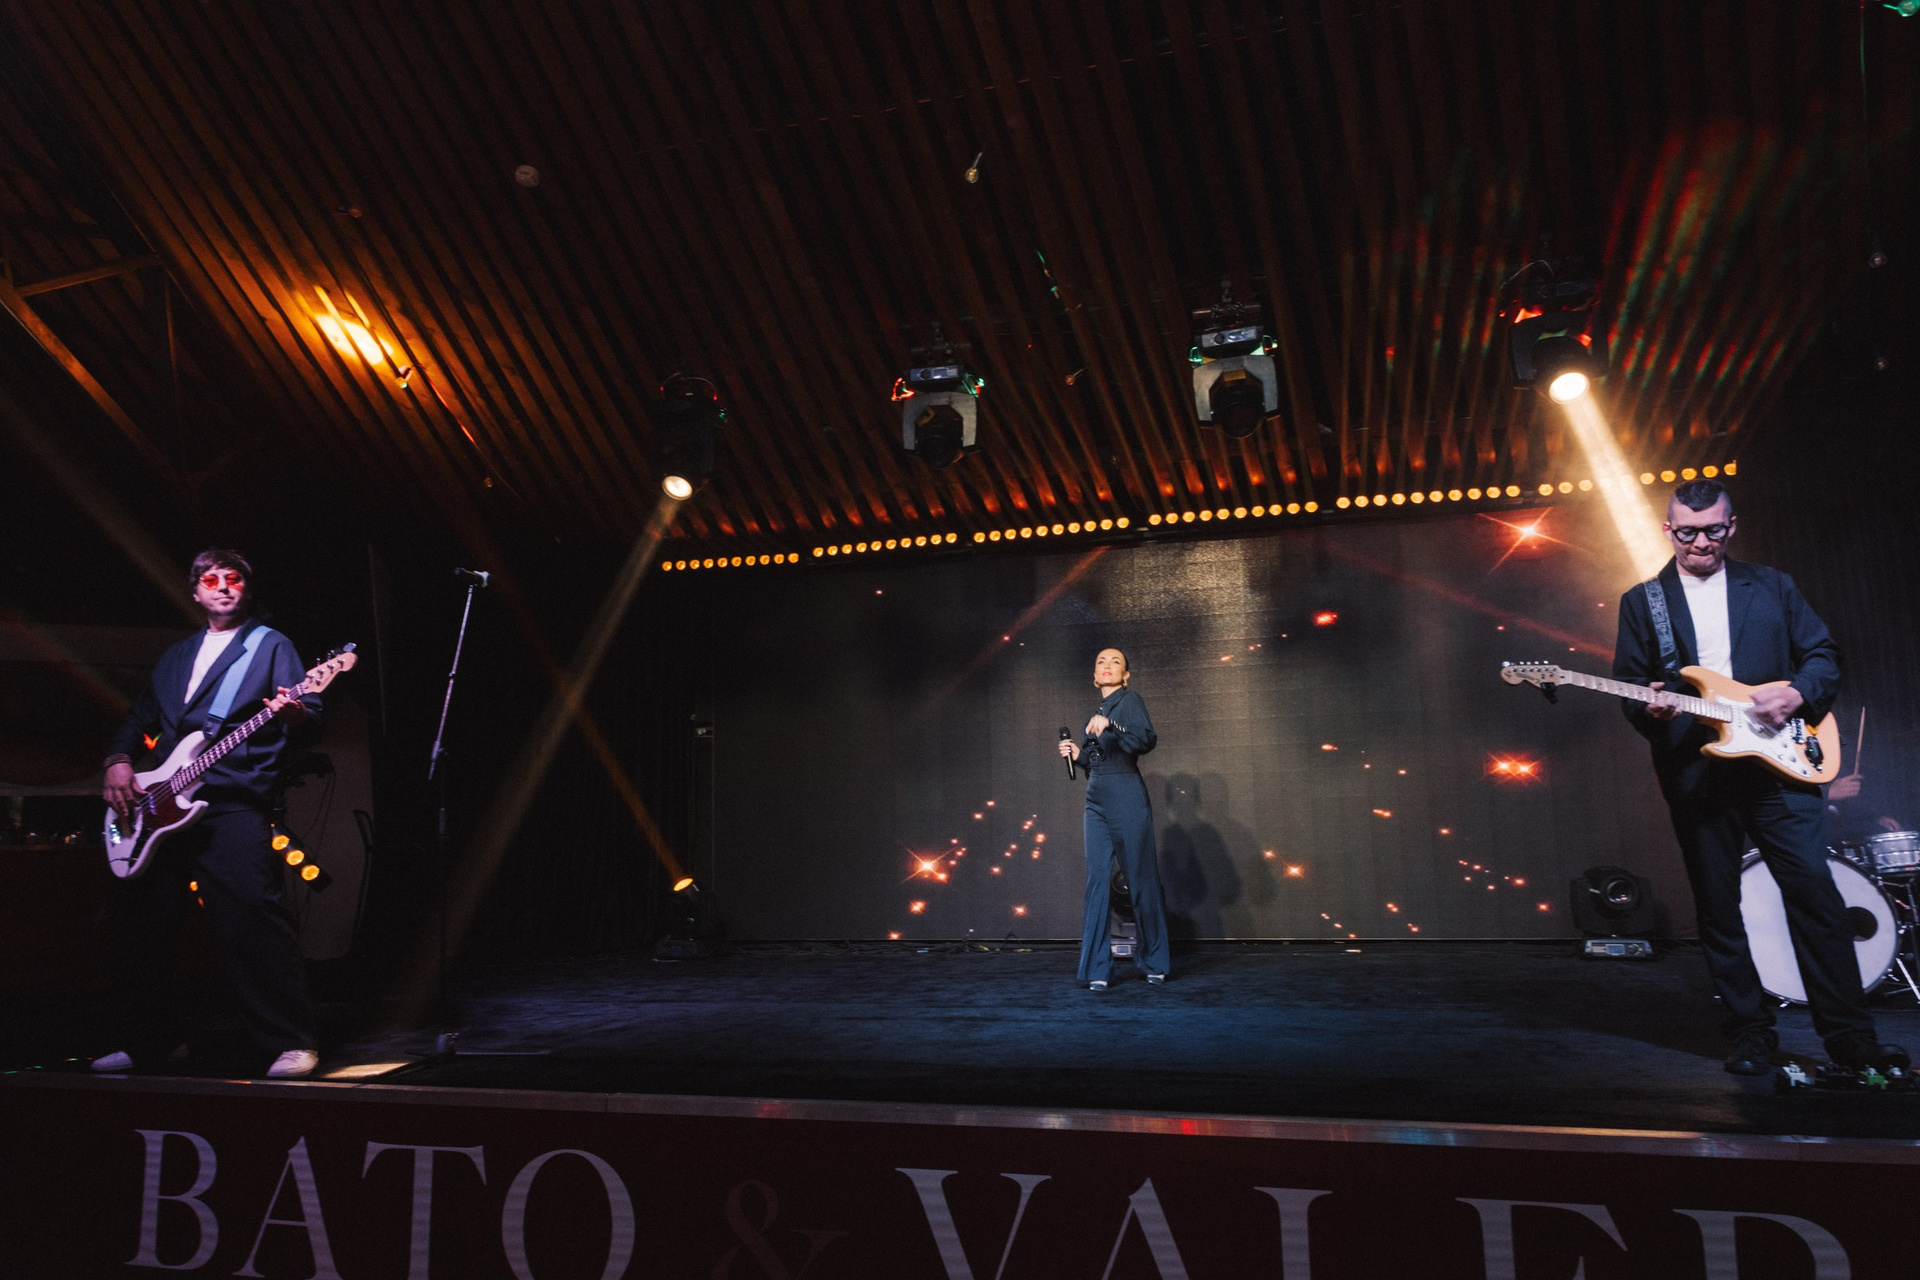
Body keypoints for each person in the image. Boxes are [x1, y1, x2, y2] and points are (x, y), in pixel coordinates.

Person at [1613, 480, 1906, 1076]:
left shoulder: (1772, 585)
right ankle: (1750, 1034)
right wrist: (1651, 708)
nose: (1701, 542)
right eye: (1687, 532)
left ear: (1732, 526)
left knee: (1816, 898)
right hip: (1698, 770)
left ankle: (1851, 1041)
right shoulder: (1644, 602)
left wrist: (1797, 693)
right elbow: (1633, 688)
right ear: (1668, 530)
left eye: (1713, 530)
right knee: (1719, 907)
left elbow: (1823, 655)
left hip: (1782, 764)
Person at [95, 549, 323, 1079]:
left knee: (251, 921)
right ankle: (149, 1043)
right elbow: (139, 717)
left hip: (231, 802)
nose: (223, 587)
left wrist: (293, 713)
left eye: (234, 579)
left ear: (246, 589)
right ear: (196, 592)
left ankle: (290, 1042)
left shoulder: (270, 645)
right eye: (212, 580)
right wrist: (118, 760)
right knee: (138, 925)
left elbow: (310, 719)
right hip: (161, 805)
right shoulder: (176, 656)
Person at [1057, 648, 1170, 989]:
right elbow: (1097, 762)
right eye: (1101, 662)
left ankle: (1155, 961)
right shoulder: (1093, 714)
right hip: (1096, 800)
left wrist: (1113, 725)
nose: (1107, 665)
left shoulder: (1130, 701)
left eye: (1115, 661)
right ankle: (1097, 968)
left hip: (1126, 796)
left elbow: (1144, 740)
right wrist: (1078, 755)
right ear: (1094, 676)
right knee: (1096, 883)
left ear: (1125, 675)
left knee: (1140, 878)